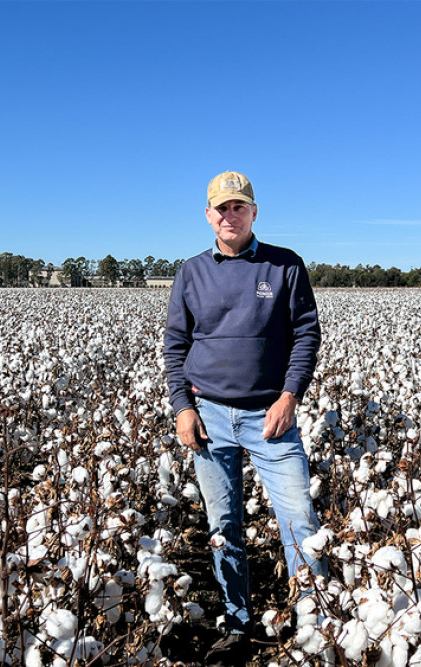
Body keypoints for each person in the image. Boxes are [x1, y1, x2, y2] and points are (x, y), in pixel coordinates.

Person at [164, 170, 327, 665]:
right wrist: (183, 408)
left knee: (299, 519)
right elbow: (175, 346)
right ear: (208, 215)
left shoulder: (285, 266)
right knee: (223, 525)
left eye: (239, 207)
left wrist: (289, 396)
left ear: (254, 212)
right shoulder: (192, 271)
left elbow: (306, 336)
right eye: (221, 208)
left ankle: (314, 625)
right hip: (209, 417)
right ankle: (237, 624)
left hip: (271, 417)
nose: (229, 215)